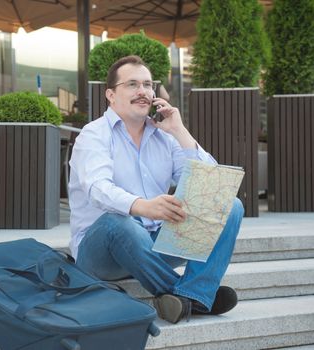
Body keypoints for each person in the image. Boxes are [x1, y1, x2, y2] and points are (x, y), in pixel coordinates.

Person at [68, 55, 244, 324]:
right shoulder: (93, 135)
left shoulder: (165, 135)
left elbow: (211, 184)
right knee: (120, 222)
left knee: (229, 204)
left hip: (153, 246)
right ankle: (193, 295)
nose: (143, 92)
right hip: (101, 252)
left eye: (148, 85)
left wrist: (180, 131)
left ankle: (188, 297)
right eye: (132, 84)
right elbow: (97, 188)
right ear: (111, 95)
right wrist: (143, 206)